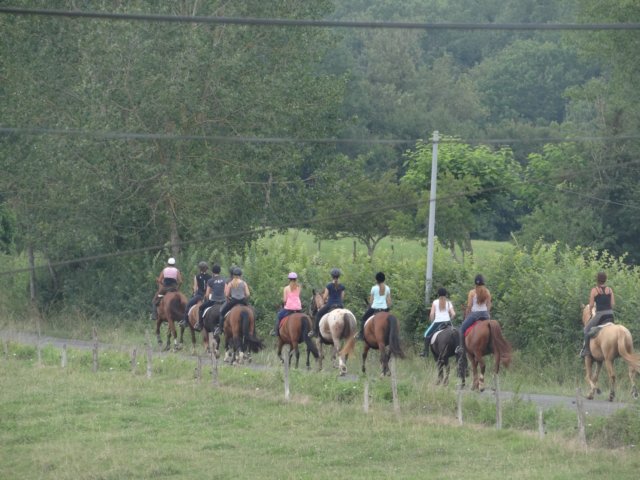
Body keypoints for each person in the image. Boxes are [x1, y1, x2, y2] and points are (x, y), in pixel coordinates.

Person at [580, 271, 615, 358]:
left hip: (600, 315)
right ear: (605, 279)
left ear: (597, 279)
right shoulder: (610, 290)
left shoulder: (594, 290)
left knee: (586, 329)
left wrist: (591, 311)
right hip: (610, 315)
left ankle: (586, 350)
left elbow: (591, 305)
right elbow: (613, 304)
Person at [455, 274, 491, 355]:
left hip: (475, 314)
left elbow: (469, 306)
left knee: (461, 329)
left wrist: (467, 313)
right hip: (485, 314)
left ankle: (461, 348)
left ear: (475, 283)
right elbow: (489, 304)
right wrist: (488, 314)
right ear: (483, 282)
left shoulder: (472, 292)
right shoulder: (487, 292)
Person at [420, 287, 456, 357]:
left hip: (438, 323)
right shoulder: (448, 303)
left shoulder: (435, 302)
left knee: (426, 334)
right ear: (446, 294)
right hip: (448, 322)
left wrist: (432, 321)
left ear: (438, 294)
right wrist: (450, 319)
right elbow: (454, 314)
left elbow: (432, 314)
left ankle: (425, 352)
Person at [215, 267, 250, 335]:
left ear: (233, 275)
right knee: (251, 311)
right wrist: (244, 298)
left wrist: (229, 298)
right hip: (243, 301)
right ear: (241, 275)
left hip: (233, 301)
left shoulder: (230, 283)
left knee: (222, 313)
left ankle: (220, 329)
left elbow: (227, 294)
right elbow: (248, 294)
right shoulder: (244, 283)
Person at [357, 272, 391, 340]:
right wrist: (387, 309)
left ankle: (361, 335)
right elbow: (389, 301)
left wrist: (369, 306)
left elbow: (371, 301)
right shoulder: (387, 288)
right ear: (384, 279)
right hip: (384, 309)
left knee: (363, 318)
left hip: (374, 309)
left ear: (376, 280)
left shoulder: (374, 288)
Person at [312, 268, 345, 337]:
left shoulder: (329, 285)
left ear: (331, 276)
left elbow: (324, 297)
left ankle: (315, 332)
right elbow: (342, 298)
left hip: (330, 305)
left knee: (318, 314)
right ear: (339, 276)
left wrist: (324, 301)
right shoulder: (342, 286)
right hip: (340, 305)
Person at [195, 264, 226, 332]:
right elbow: (226, 292)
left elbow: (207, 294)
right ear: (220, 271)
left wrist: (206, 299)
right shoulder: (224, 280)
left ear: (212, 272)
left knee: (201, 308)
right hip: (223, 301)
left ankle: (200, 324)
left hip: (214, 301)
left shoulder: (210, 281)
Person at [179, 261, 211, 328]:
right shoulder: (210, 277)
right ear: (206, 269)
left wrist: (193, 294)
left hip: (199, 296)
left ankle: (185, 321)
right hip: (208, 296)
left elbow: (195, 288)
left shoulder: (196, 276)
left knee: (188, 305)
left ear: (200, 269)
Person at [271, 272, 302, 337]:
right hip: (298, 308)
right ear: (296, 279)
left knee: (279, 316)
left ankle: (275, 332)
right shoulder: (299, 287)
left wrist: (285, 304)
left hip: (289, 308)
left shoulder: (286, 288)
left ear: (289, 279)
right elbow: (298, 296)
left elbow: (285, 300)